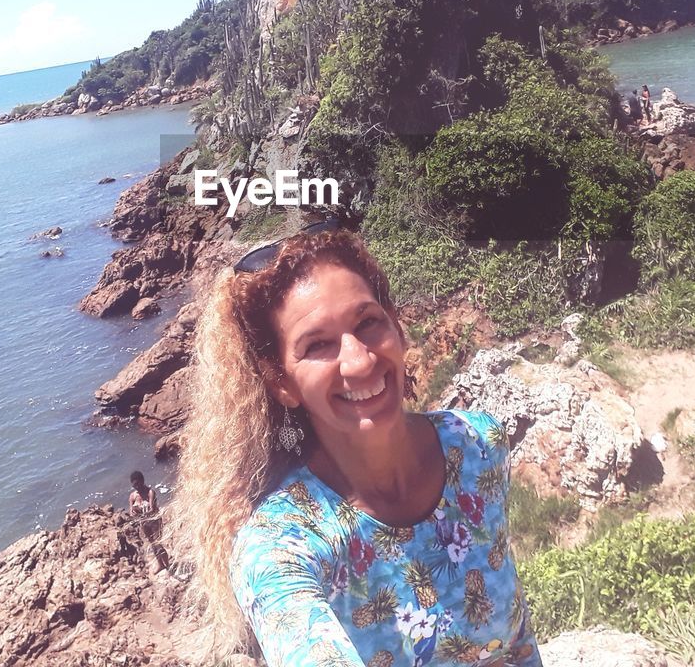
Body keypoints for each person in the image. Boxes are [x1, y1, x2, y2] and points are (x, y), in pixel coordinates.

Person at [167, 223, 542, 667]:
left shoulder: (478, 446)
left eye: (367, 322)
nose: (359, 360)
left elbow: (517, 639)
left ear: (397, 329)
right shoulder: (281, 546)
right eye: (318, 345)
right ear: (281, 383)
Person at [129, 469, 170, 572]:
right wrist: (134, 513)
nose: (136, 487)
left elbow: (152, 509)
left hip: (155, 521)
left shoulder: (150, 492)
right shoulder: (133, 496)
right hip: (144, 523)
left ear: (142, 481)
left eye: (138, 484)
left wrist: (141, 512)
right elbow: (131, 512)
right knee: (152, 544)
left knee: (158, 543)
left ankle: (167, 565)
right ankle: (160, 564)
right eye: (134, 485)